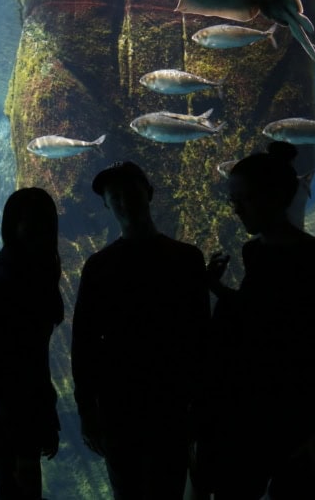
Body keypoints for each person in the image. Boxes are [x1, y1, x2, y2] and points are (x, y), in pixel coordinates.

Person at [198, 141, 315, 500]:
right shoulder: (255, 252)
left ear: (274, 196)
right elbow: (260, 315)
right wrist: (217, 289)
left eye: (244, 198)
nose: (236, 208)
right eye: (233, 199)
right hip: (252, 413)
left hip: (300, 418)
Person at [71, 161, 211, 499]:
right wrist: (88, 411)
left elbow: (203, 338)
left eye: (130, 192)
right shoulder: (98, 266)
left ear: (148, 194)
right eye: (114, 196)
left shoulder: (187, 259)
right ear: (106, 204)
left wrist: (202, 403)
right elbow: (83, 344)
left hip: (171, 404)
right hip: (121, 408)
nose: (123, 202)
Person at [0, 187, 64, 500]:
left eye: (44, 223)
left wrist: (45, 413)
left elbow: (33, 359)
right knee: (16, 484)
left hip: (20, 412)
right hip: (4, 417)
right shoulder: (0, 281)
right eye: (31, 223)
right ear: (12, 226)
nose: (39, 232)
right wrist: (23, 439)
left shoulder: (31, 275)